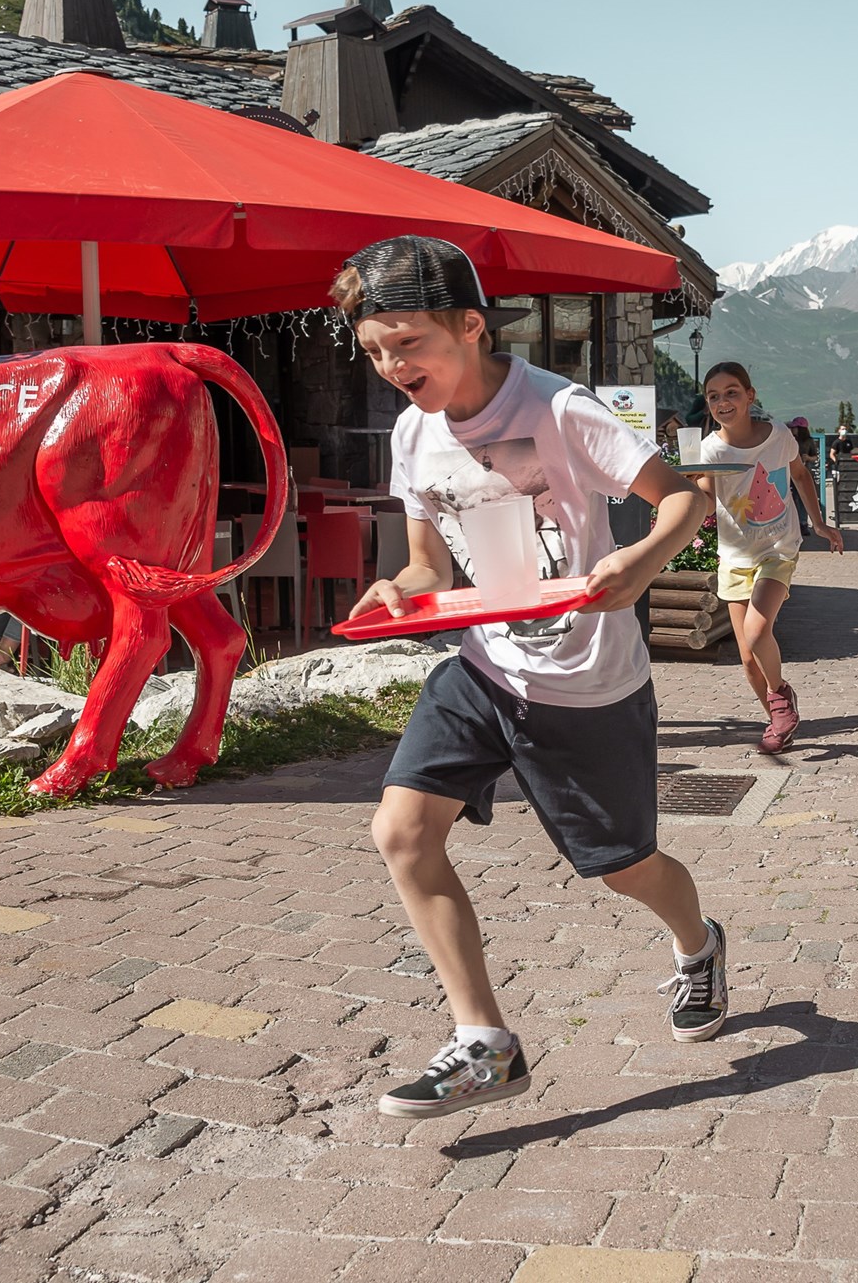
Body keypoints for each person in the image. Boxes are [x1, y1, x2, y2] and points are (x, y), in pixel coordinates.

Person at [338, 236, 727, 1119]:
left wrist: (638, 562)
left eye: (409, 344)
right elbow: (431, 565)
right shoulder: (413, 433)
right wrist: (397, 590)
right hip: (483, 667)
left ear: (471, 326)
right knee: (401, 832)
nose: (393, 367)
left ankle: (697, 944)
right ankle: (486, 1041)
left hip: (587, 680)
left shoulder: (560, 408)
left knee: (625, 867)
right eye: (375, 352)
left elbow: (684, 498)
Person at [694, 362, 842, 753]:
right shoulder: (710, 449)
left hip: (778, 548)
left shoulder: (777, 435)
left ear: (749, 396)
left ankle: (778, 698)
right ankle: (779, 713)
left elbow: (801, 475)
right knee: (746, 657)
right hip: (735, 554)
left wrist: (820, 524)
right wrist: (687, 490)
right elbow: (708, 502)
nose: (723, 401)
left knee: (758, 632)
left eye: (731, 392)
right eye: (713, 396)